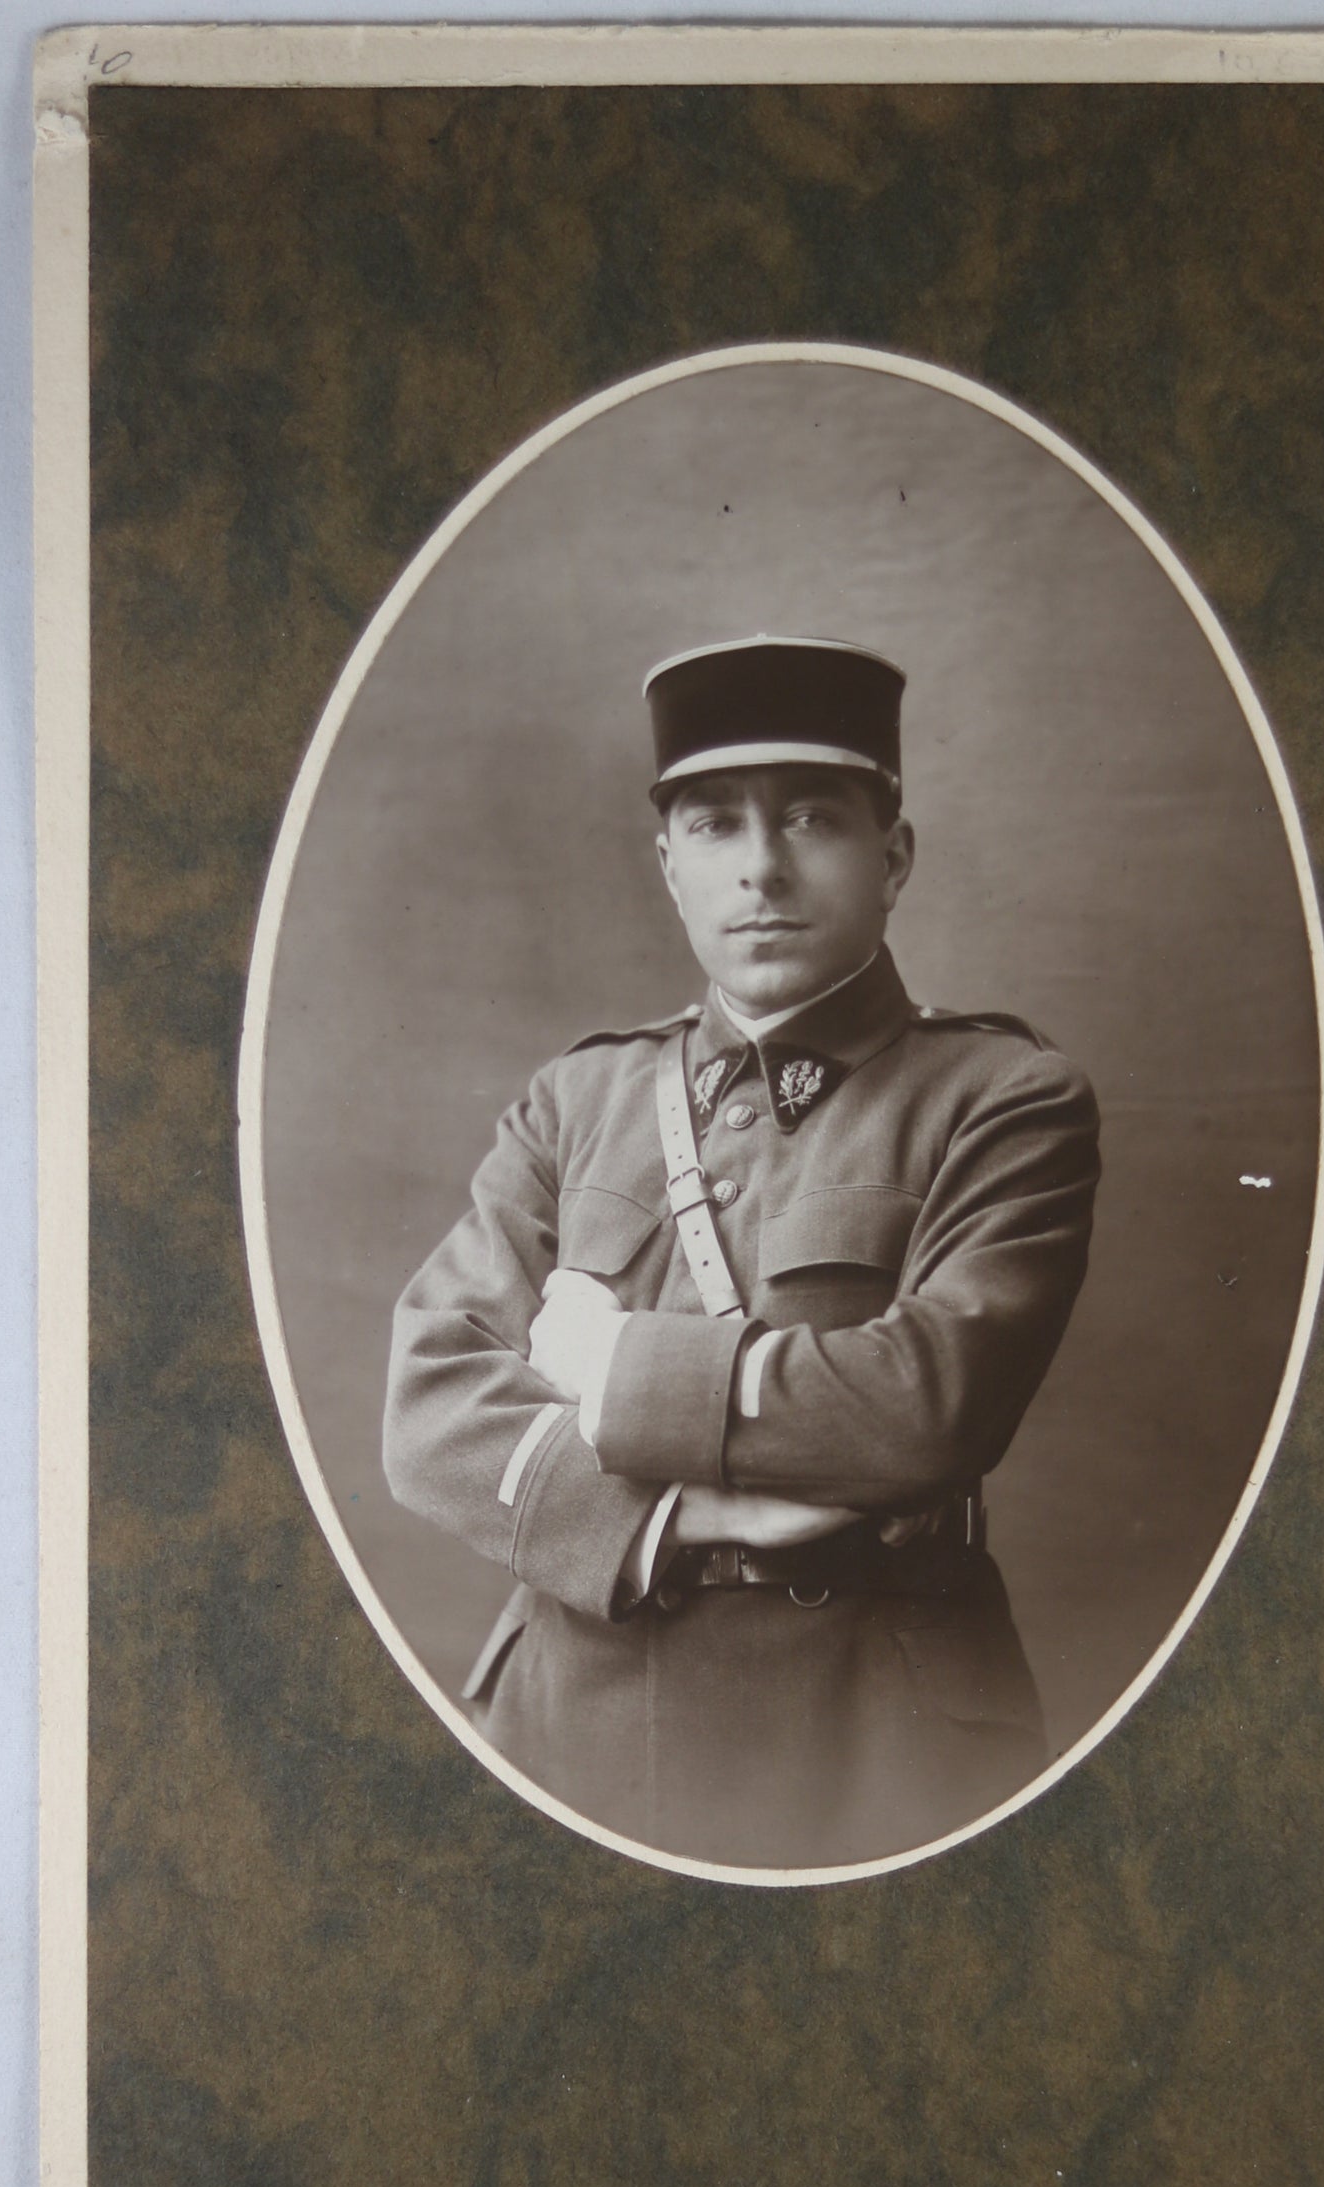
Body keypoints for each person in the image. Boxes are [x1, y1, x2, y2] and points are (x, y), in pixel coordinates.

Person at [383, 636, 1100, 1870]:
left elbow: (930, 1405)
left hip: (878, 1733)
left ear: (895, 854)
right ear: (669, 868)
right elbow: (430, 1405)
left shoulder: (1003, 1097)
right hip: (569, 1728)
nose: (761, 869)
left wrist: (610, 1374)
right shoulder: (576, 1099)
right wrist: (692, 1507)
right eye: (714, 826)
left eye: (813, 817)